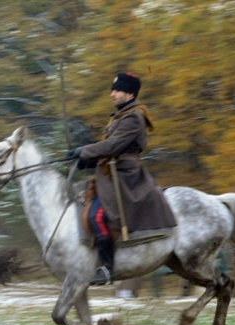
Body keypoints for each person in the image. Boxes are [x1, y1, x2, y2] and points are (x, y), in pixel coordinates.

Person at [66, 72, 176, 285]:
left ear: (130, 93)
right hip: (110, 172)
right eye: (112, 90)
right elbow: (110, 150)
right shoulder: (121, 115)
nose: (112, 94)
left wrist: (83, 150)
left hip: (125, 175)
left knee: (95, 217)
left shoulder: (134, 117)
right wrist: (83, 160)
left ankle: (108, 269)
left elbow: (112, 146)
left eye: (117, 90)